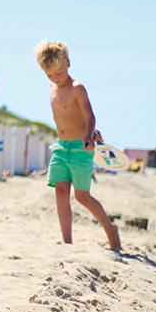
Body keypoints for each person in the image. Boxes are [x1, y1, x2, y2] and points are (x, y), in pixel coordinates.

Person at [34, 41, 121, 251]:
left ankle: (110, 229)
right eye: (49, 75)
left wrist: (90, 135)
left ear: (68, 63)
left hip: (81, 147)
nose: (55, 78)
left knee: (82, 196)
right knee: (60, 192)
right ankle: (67, 242)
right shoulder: (52, 89)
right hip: (60, 147)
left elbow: (89, 116)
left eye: (59, 73)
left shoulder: (77, 88)